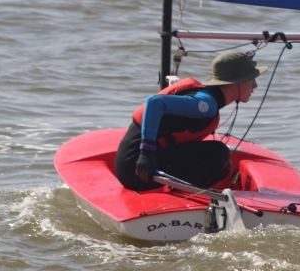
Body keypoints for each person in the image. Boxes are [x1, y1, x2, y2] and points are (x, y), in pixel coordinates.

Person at [114, 51, 268, 191]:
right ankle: (182, 202)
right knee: (218, 152)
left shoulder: (208, 98)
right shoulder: (206, 104)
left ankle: (184, 196)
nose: (255, 85)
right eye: (251, 79)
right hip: (136, 167)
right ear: (235, 82)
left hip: (133, 165)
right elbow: (154, 102)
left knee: (223, 164)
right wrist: (146, 153)